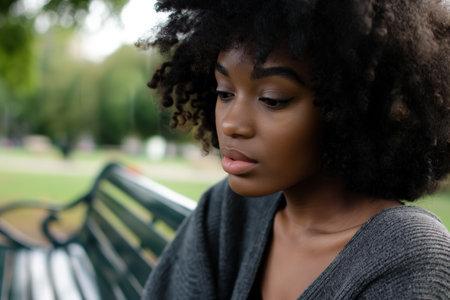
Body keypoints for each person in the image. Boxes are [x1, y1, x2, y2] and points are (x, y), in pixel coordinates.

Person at [139, 0, 450, 299]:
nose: (232, 124)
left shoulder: (409, 259)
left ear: (348, 109)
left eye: (273, 99)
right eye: (224, 92)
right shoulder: (229, 211)